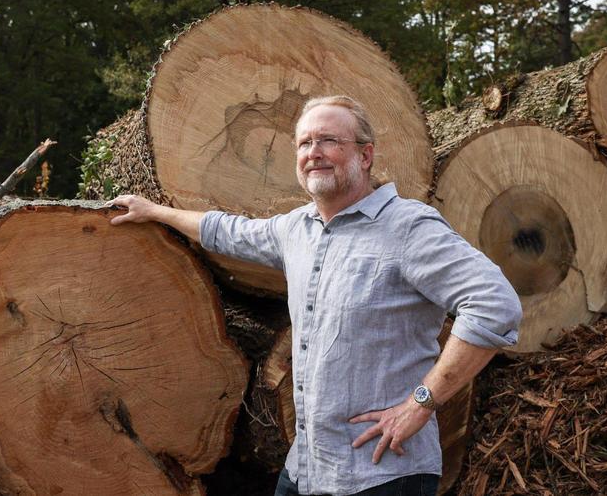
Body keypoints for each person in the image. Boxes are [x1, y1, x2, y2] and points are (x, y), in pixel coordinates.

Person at [108, 95, 522, 496]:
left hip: (383, 474)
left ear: (365, 155)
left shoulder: (409, 228)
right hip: (306, 469)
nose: (314, 152)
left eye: (329, 141)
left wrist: (421, 403)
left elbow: (494, 306)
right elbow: (228, 232)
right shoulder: (297, 230)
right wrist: (156, 212)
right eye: (305, 143)